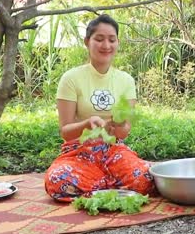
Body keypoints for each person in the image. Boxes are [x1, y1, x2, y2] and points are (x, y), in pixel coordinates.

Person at [44, 14, 154, 202]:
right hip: (79, 152)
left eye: (112, 40)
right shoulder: (71, 78)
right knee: (57, 180)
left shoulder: (126, 80)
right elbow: (65, 132)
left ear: (117, 42)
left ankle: (97, 188)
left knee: (146, 178)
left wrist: (117, 125)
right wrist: (87, 124)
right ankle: (113, 186)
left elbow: (124, 132)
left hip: (113, 151)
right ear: (87, 42)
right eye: (99, 39)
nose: (106, 45)